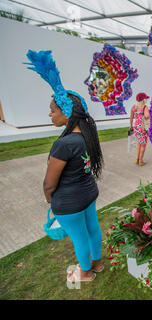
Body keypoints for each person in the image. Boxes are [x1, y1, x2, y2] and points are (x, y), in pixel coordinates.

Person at [25, 50, 104, 282]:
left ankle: (86, 274)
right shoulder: (88, 136)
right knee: (92, 229)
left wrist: (51, 200)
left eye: (53, 110)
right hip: (89, 194)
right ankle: (97, 265)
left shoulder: (63, 144)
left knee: (79, 238)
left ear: (66, 112)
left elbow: (49, 184)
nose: (50, 114)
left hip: (69, 202)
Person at [129, 92, 150, 166]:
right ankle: (141, 161)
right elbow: (147, 116)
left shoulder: (134, 107)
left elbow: (131, 117)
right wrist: (151, 112)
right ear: (143, 100)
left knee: (139, 143)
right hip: (143, 128)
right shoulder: (145, 107)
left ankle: (137, 158)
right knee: (143, 144)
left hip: (136, 127)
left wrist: (131, 125)